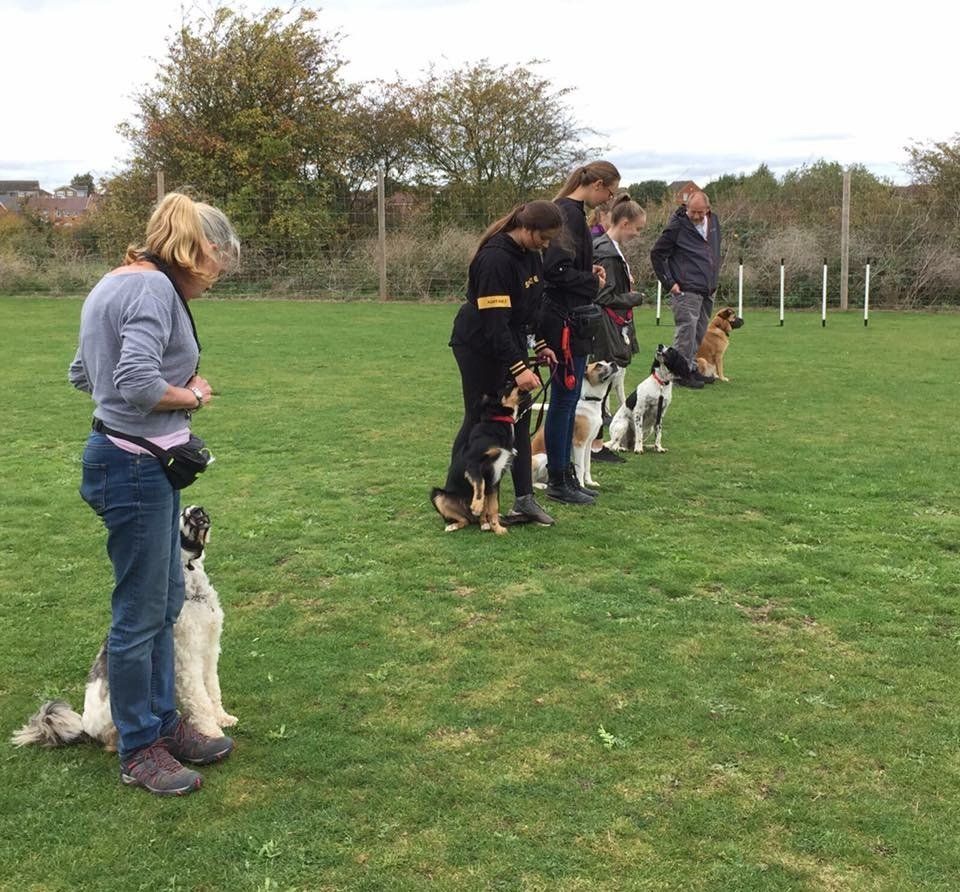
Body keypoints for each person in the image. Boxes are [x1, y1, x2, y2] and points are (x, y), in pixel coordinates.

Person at [68, 192, 240, 795]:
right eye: (220, 262)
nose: (218, 277)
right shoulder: (150, 289)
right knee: (142, 616)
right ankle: (141, 748)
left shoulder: (118, 282)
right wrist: (190, 394)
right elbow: (136, 380)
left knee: (165, 602)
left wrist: (143, 397)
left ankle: (166, 724)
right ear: (200, 249)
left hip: (135, 462)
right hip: (133, 468)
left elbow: (82, 373)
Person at [446, 201, 562, 526]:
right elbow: (494, 321)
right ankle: (458, 499)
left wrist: (540, 344)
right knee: (478, 420)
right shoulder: (495, 259)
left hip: (509, 340)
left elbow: (532, 307)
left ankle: (524, 499)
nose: (546, 245)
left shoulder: (531, 256)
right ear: (526, 229)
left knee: (519, 419)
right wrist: (519, 369)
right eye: (544, 237)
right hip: (478, 345)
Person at [540, 160, 621, 504]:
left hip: (568, 318)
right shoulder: (569, 215)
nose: (609, 200)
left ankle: (566, 476)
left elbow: (565, 266)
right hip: (565, 323)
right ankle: (559, 478)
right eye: (610, 192)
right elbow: (554, 270)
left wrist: (587, 270)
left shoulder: (571, 214)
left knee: (567, 400)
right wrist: (590, 279)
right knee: (563, 401)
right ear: (598, 184)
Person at [590, 195, 647, 462]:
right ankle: (596, 444)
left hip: (607, 324)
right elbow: (604, 297)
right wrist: (635, 297)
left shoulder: (609, 249)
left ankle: (595, 442)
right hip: (604, 327)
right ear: (624, 223)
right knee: (599, 383)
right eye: (637, 228)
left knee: (601, 384)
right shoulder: (608, 252)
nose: (637, 234)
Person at [649, 190, 721, 388]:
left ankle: (690, 368)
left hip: (707, 289)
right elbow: (657, 254)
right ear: (685, 208)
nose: (697, 216)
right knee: (686, 331)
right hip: (685, 288)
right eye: (693, 212)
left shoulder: (714, 223)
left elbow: (714, 252)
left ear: (708, 209)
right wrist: (669, 282)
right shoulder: (677, 226)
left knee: (699, 331)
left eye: (700, 212)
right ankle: (680, 374)